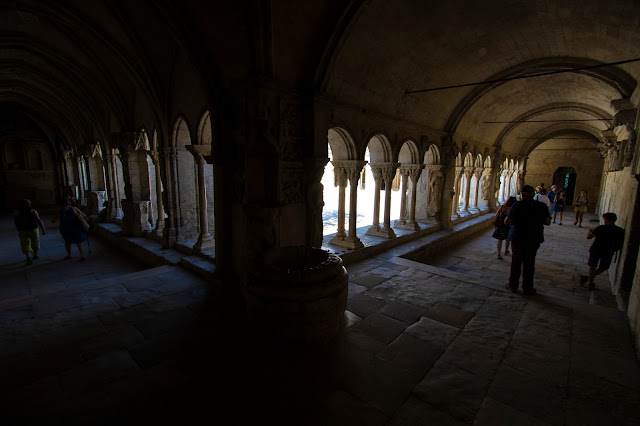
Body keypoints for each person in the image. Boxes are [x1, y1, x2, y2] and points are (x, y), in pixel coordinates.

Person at [504, 185, 551, 295]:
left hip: (518, 238)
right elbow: (548, 222)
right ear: (533, 195)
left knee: (516, 262)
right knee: (529, 263)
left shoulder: (517, 205)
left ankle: (513, 285)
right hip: (534, 238)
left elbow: (507, 221)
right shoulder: (541, 206)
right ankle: (528, 287)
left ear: (522, 195)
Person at [579, 212, 625, 290]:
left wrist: (589, 231)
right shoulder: (619, 230)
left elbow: (588, 237)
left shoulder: (601, 228)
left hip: (596, 249)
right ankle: (589, 280)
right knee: (604, 267)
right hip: (608, 251)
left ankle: (590, 281)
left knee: (592, 266)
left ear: (606, 220)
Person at [14, 199, 46, 265]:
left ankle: (28, 258)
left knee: (25, 243)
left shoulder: (17, 212)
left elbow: (16, 221)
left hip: (22, 230)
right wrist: (43, 229)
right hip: (33, 229)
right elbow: (39, 220)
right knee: (35, 241)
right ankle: (35, 255)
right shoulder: (33, 211)